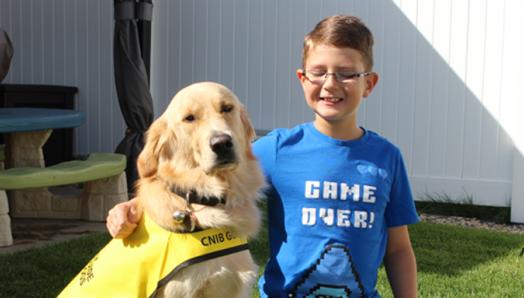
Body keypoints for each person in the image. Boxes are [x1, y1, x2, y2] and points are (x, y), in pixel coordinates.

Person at [106, 15, 419, 298]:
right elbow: (194, 180)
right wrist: (134, 206)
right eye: (319, 72)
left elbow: (399, 248)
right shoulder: (277, 150)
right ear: (302, 79)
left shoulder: (386, 158)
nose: (331, 83)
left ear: (369, 84)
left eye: (347, 74)